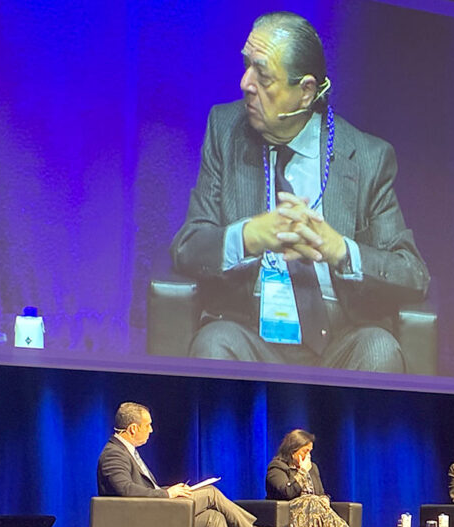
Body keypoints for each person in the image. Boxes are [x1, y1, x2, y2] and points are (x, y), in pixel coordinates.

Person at [170, 11, 430, 373]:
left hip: (340, 342)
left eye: (263, 75)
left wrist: (340, 250)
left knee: (378, 349)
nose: (246, 83)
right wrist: (249, 236)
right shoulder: (224, 130)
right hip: (248, 334)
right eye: (247, 67)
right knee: (213, 343)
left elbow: (412, 275)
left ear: (306, 90)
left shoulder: (367, 157)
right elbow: (187, 247)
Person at [97, 402, 294, 527]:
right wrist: (167, 495)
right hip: (141, 521)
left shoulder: (127, 451)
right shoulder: (113, 454)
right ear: (132, 428)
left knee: (213, 517)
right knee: (211, 494)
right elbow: (125, 490)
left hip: (154, 513)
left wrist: (171, 490)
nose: (151, 430)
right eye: (147, 425)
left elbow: (144, 490)